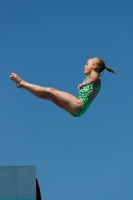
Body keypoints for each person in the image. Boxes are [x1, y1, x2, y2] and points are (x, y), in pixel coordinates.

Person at [10, 57, 115, 117]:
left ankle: (23, 83)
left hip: (77, 104)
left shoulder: (95, 75)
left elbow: (93, 78)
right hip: (77, 111)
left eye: (87, 64)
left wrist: (84, 84)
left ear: (94, 66)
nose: (84, 66)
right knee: (49, 96)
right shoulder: (92, 76)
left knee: (51, 90)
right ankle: (23, 85)